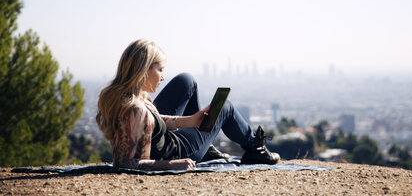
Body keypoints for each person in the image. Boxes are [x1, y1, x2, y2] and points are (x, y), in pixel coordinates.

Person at [96, 39, 279, 170]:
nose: (162, 77)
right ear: (144, 70)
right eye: (159, 70)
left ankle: (208, 149)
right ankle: (256, 149)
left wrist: (191, 121)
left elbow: (154, 122)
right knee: (226, 107)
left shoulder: (131, 98)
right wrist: (171, 164)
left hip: (163, 141)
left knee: (187, 80)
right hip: (176, 152)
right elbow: (126, 164)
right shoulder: (136, 110)